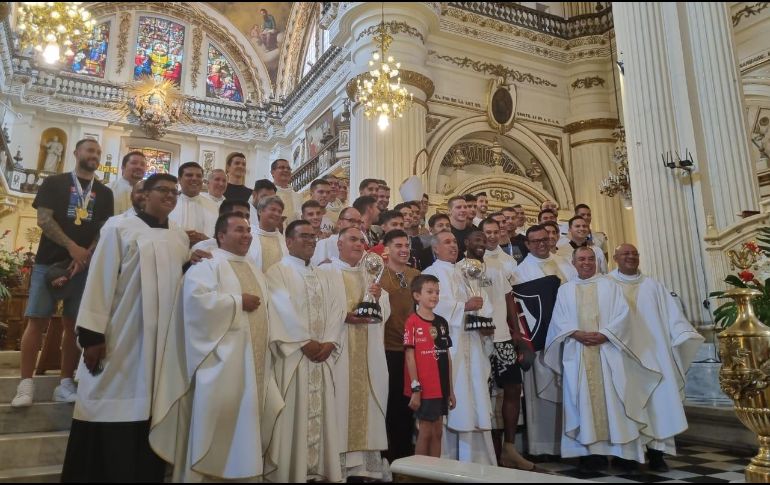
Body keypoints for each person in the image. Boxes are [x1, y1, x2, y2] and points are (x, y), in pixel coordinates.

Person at [60, 173, 189, 482]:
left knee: (151, 411)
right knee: (108, 401)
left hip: (161, 342)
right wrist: (92, 335)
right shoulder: (118, 227)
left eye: (175, 192)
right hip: (121, 336)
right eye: (163, 190)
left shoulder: (179, 236)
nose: (170, 196)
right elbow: (100, 280)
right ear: (145, 195)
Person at [150, 213, 283, 482]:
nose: (246, 235)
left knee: (247, 430)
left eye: (248, 230)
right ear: (221, 236)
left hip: (255, 368)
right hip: (220, 368)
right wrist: (236, 302)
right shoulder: (208, 265)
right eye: (239, 230)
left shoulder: (254, 270)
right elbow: (195, 304)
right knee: (212, 430)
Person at [12, 138, 114, 408]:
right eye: (90, 150)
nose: (94, 155)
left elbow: (103, 229)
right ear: (77, 152)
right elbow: (44, 219)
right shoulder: (54, 182)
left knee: (73, 325)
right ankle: (25, 384)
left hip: (84, 267)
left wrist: (85, 255)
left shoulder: (104, 193)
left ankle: (66, 382)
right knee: (37, 320)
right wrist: (72, 248)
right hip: (49, 262)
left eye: (98, 152)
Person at [545, 246, 661, 472]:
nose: (586, 263)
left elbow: (624, 316)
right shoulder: (565, 290)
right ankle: (591, 456)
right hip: (578, 353)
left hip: (609, 353)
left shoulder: (611, 285)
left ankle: (624, 456)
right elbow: (559, 319)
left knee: (617, 401)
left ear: (596, 262)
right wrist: (575, 333)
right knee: (582, 403)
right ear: (573, 263)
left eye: (590, 259)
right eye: (581, 259)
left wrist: (606, 334)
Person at [609, 244, 704, 472]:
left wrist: (684, 333)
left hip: (655, 355)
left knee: (658, 403)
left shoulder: (653, 286)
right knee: (625, 404)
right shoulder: (606, 285)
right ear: (615, 258)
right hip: (622, 355)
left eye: (634, 254)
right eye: (625, 254)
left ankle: (657, 454)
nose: (631, 257)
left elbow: (673, 316)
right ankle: (626, 456)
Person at [264, 220, 346, 483]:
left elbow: (337, 308)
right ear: (288, 241)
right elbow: (280, 307)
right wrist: (303, 341)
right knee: (293, 415)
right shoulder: (277, 272)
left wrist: (330, 341)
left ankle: (317, 471)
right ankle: (291, 473)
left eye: (313, 236)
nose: (311, 240)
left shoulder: (325, 274)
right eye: (304, 236)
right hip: (295, 358)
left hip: (321, 357)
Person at [319, 227, 391, 479]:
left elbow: (384, 312)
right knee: (339, 406)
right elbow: (318, 307)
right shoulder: (325, 272)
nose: (359, 244)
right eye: (352, 239)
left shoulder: (369, 272)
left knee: (367, 406)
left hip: (367, 352)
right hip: (339, 352)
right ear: (339, 244)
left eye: (362, 240)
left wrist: (379, 298)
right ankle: (336, 466)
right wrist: (344, 316)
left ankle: (364, 467)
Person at [423, 230, 496, 465]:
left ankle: (477, 461)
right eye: (447, 242)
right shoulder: (430, 274)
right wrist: (464, 307)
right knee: (454, 399)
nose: (453, 245)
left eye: (454, 241)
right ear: (435, 248)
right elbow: (430, 305)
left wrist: (486, 322)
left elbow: (482, 299)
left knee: (474, 395)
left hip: (472, 343)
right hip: (448, 346)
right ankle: (448, 461)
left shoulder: (467, 271)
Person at [512, 225, 577, 458]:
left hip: (568, 338)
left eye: (544, 239)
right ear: (527, 244)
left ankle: (572, 445)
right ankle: (544, 447)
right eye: (535, 241)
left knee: (570, 392)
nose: (541, 244)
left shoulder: (565, 264)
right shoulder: (520, 272)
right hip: (541, 342)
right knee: (543, 395)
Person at [380, 229, 422, 462]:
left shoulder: (416, 275)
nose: (404, 249)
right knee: (389, 406)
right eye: (398, 245)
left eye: (406, 245)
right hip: (388, 349)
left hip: (412, 350)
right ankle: (388, 460)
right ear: (387, 248)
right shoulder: (379, 274)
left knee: (409, 406)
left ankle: (406, 460)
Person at [405, 274, 455, 458]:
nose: (434, 296)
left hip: (441, 387)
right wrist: (415, 389)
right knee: (425, 431)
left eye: (437, 292)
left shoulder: (441, 322)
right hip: (425, 388)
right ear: (417, 295)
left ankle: (435, 471)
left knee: (438, 432)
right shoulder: (412, 321)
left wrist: (450, 390)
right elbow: (410, 357)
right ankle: (419, 471)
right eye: (430, 292)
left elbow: (447, 357)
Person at [169, 162, 218, 247]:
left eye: (199, 176)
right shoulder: (168, 204)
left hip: (204, 253)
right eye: (189, 175)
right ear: (179, 179)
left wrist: (206, 240)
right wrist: (180, 237)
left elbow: (220, 238)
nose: (195, 178)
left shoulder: (213, 206)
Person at [249, 195, 289, 272]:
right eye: (273, 209)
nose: (277, 214)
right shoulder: (249, 234)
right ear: (260, 211)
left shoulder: (283, 240)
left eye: (280, 212)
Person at [271, 158, 303, 223]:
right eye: (282, 167)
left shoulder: (297, 196)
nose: (286, 170)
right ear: (272, 172)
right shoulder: (269, 193)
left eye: (288, 168)